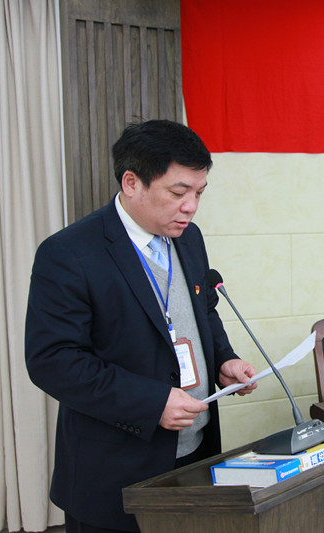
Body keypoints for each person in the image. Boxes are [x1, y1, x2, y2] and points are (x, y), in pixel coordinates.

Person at [25, 119, 257, 533]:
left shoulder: (189, 238)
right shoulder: (69, 253)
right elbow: (53, 361)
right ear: (132, 183)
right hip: (115, 470)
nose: (191, 207)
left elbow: (204, 310)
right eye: (178, 193)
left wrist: (224, 359)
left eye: (199, 193)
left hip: (194, 454)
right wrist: (151, 403)